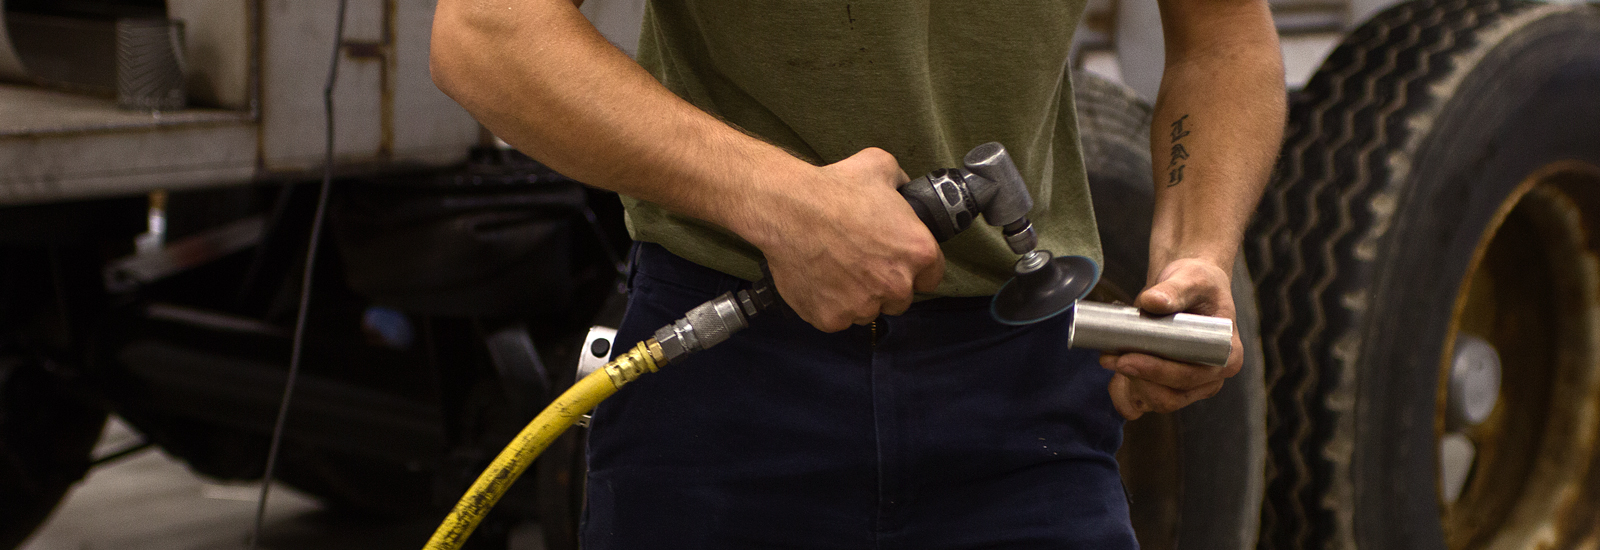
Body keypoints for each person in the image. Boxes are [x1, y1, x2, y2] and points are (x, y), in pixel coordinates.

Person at [431, 1, 1284, 547]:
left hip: (1020, 408)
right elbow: (488, 32)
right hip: (729, 395)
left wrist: (1196, 253)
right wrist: (778, 201)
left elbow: (1223, 41)